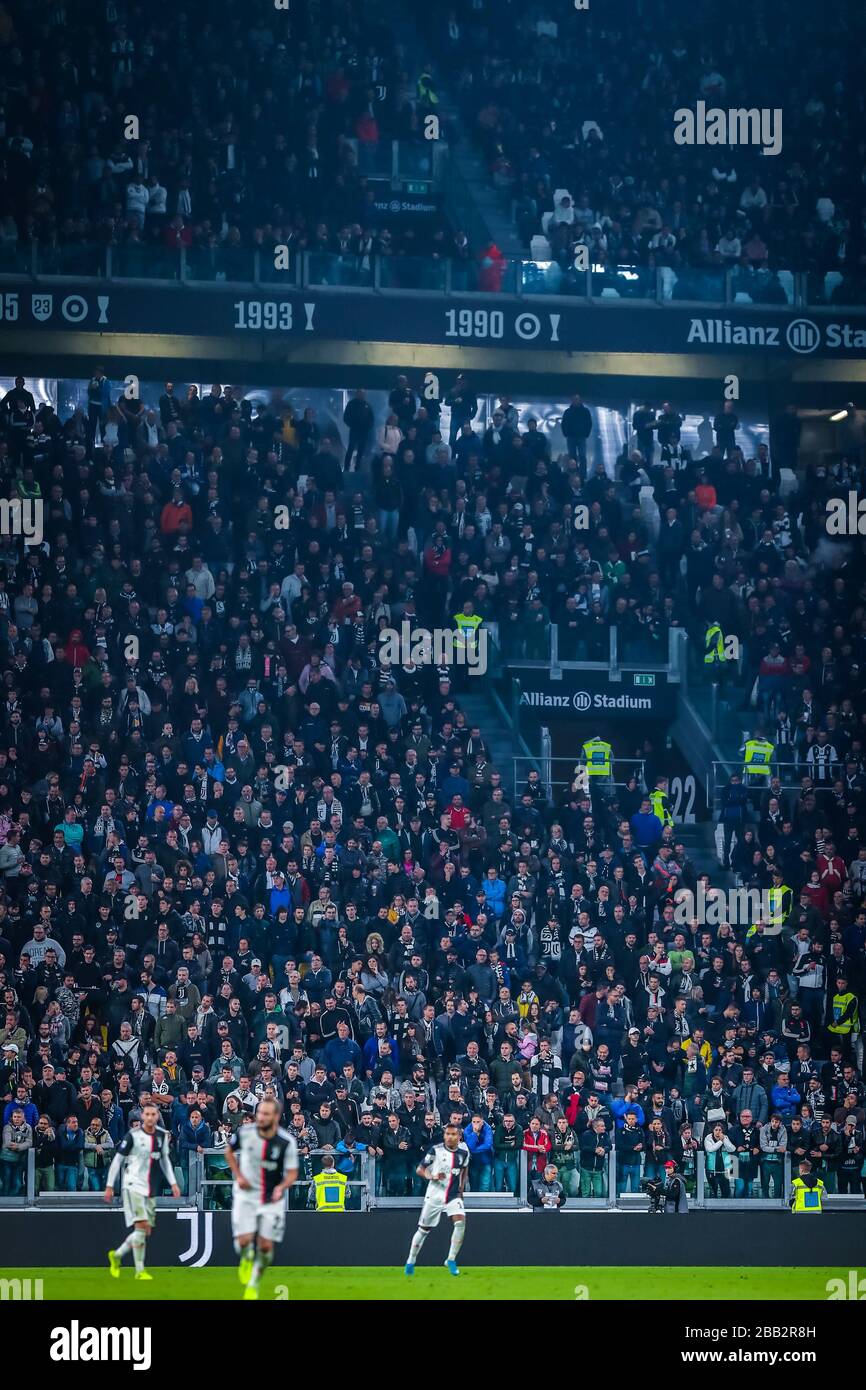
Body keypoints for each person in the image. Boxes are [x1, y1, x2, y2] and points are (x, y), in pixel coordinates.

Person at [225, 1097, 298, 1299]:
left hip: (271, 1198)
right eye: (259, 1113)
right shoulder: (245, 1133)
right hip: (246, 1195)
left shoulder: (286, 1141)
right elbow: (228, 1151)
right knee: (243, 1242)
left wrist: (281, 1187)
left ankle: (254, 1284)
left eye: (266, 1114)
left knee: (266, 1246)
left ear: (275, 1116)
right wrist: (238, 1175)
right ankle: (246, 1257)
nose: (261, 1117)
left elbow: (292, 1172)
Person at [105, 1103, 180, 1281]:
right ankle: (139, 1271)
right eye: (147, 1114)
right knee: (141, 1227)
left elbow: (164, 1161)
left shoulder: (162, 1136)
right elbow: (117, 1160)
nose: (150, 1117)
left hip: (150, 1188)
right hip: (133, 1185)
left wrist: (173, 1182)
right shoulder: (133, 1135)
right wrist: (109, 1185)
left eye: (153, 1114)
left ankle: (117, 1256)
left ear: (157, 1116)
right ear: (142, 1116)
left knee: (145, 1231)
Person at [405, 1122, 469, 1277]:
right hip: (435, 1194)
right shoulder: (436, 1150)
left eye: (453, 1134)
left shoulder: (464, 1153)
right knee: (423, 1230)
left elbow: (464, 1169)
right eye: (447, 1134)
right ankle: (411, 1260)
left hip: (452, 1195)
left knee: (460, 1222)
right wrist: (432, 1176)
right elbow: (420, 1169)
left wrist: (461, 1189)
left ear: (459, 1136)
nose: (450, 1137)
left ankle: (451, 1259)